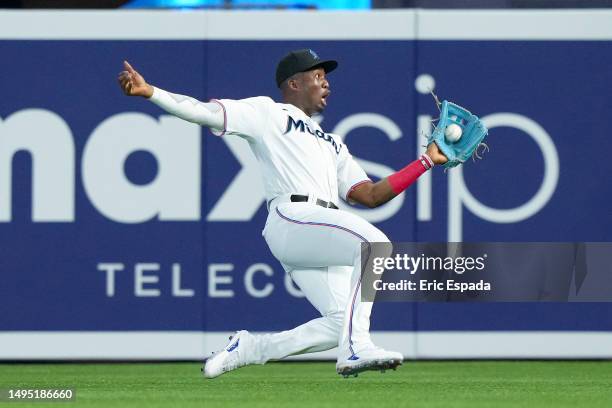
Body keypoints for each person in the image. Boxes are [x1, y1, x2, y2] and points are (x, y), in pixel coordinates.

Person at [118, 49, 448, 378]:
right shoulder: (267, 113)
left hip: (318, 232)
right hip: (292, 215)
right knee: (375, 244)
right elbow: (203, 112)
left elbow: (370, 195)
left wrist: (426, 161)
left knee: (338, 324)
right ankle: (357, 347)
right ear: (294, 83)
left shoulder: (333, 142)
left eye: (326, 79)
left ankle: (251, 349)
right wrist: (151, 93)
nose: (326, 85)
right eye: (318, 77)